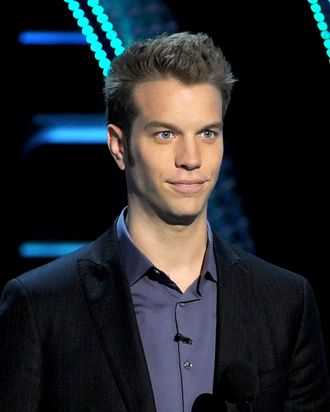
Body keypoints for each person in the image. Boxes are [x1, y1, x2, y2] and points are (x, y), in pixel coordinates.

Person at [0, 31, 329, 412]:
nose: (191, 158)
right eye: (166, 134)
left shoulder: (286, 302)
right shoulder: (42, 306)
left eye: (207, 133)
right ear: (119, 146)